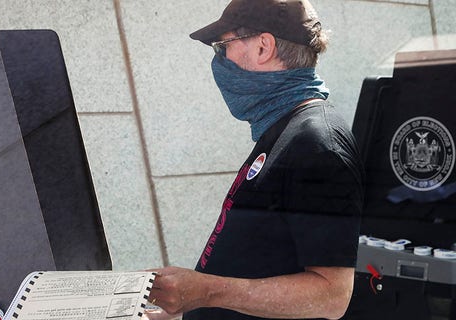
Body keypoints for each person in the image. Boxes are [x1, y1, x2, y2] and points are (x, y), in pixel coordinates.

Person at [147, 1, 364, 319]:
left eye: (223, 47)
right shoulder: (285, 130)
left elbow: (332, 294)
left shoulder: (317, 144)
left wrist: (204, 291)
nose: (219, 61)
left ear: (264, 47)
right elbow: (258, 257)